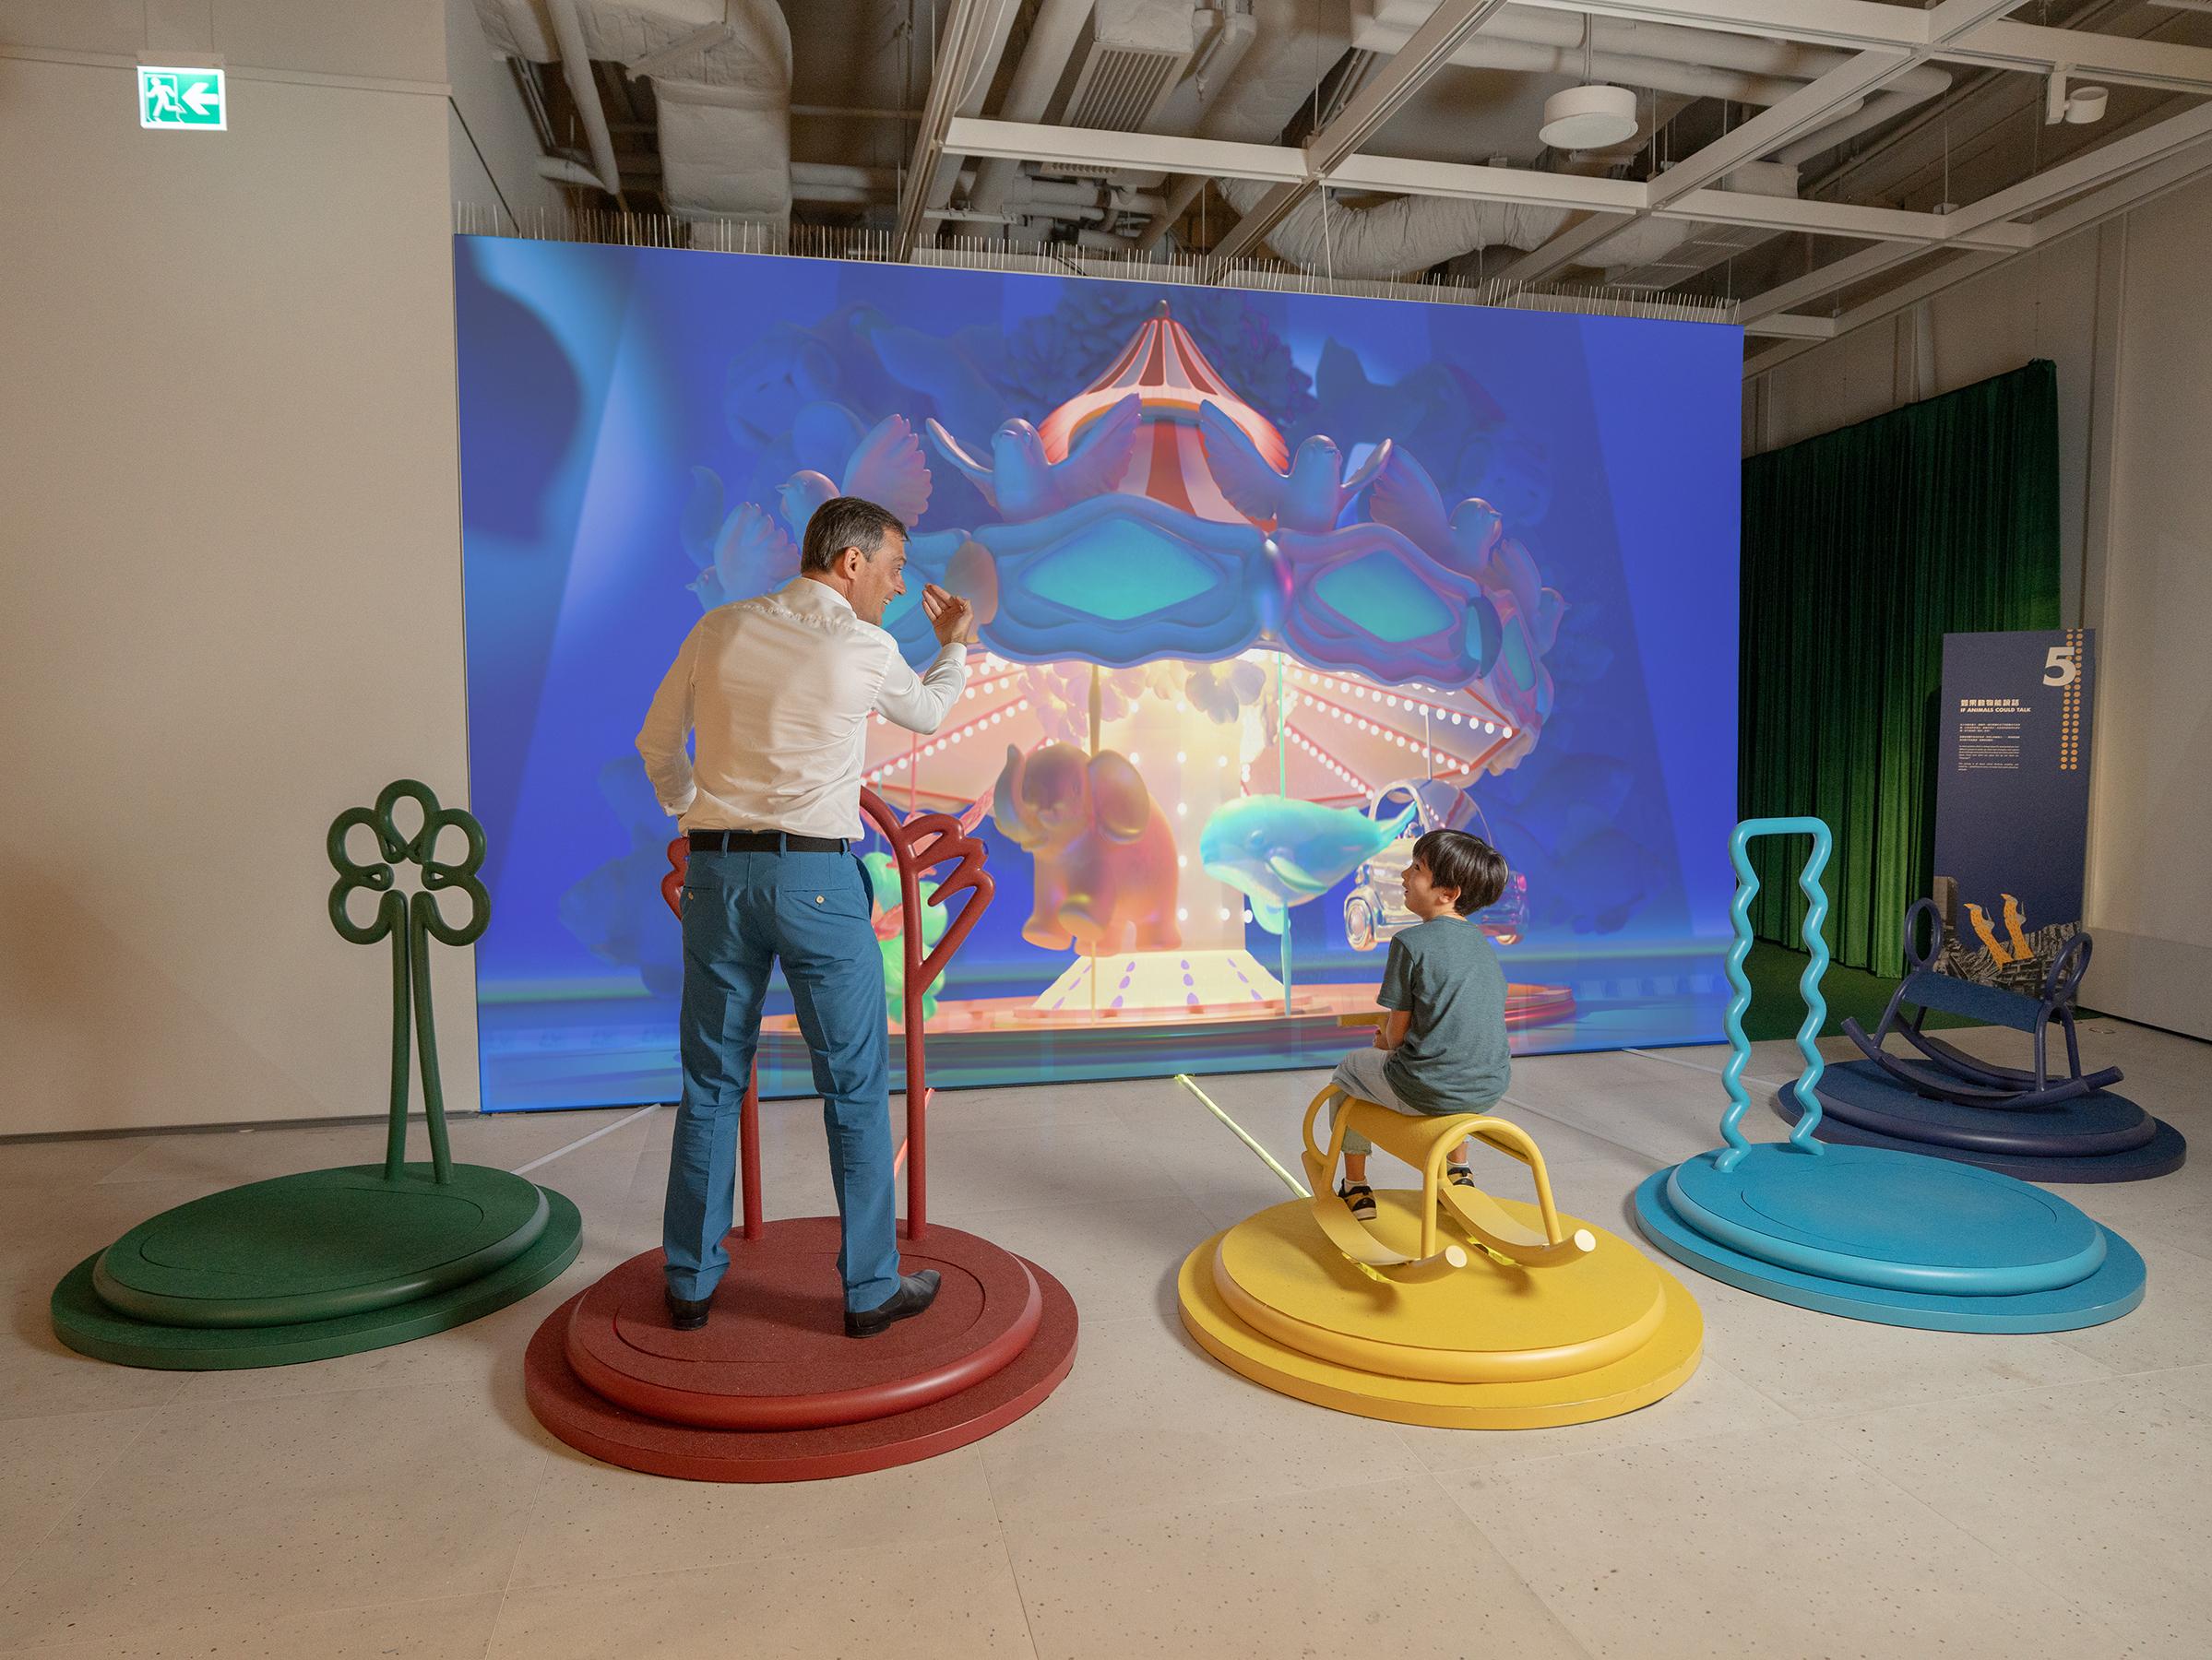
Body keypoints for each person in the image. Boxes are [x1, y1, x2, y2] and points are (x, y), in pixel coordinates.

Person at [636, 495, 976, 1336]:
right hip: (817, 882)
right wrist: (956, 644)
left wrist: (695, 812)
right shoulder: (864, 646)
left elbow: (656, 744)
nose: (899, 587)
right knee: (852, 1085)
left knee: (711, 1082)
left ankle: (690, 1282)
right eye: (894, 568)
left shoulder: (718, 628)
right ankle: (868, 1291)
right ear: (852, 562)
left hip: (716, 878)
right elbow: (929, 711)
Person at [1330, 829, 1513, 1220]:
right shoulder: (1482, 945)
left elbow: (1395, 1037)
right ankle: (1459, 1170)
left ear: (1448, 893)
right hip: (1488, 1086)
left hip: (1425, 1087)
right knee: (1455, 1066)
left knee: (1348, 1071)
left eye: (1417, 868)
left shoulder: (1409, 943)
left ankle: (1355, 1185)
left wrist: (1382, 1041)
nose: (1403, 875)